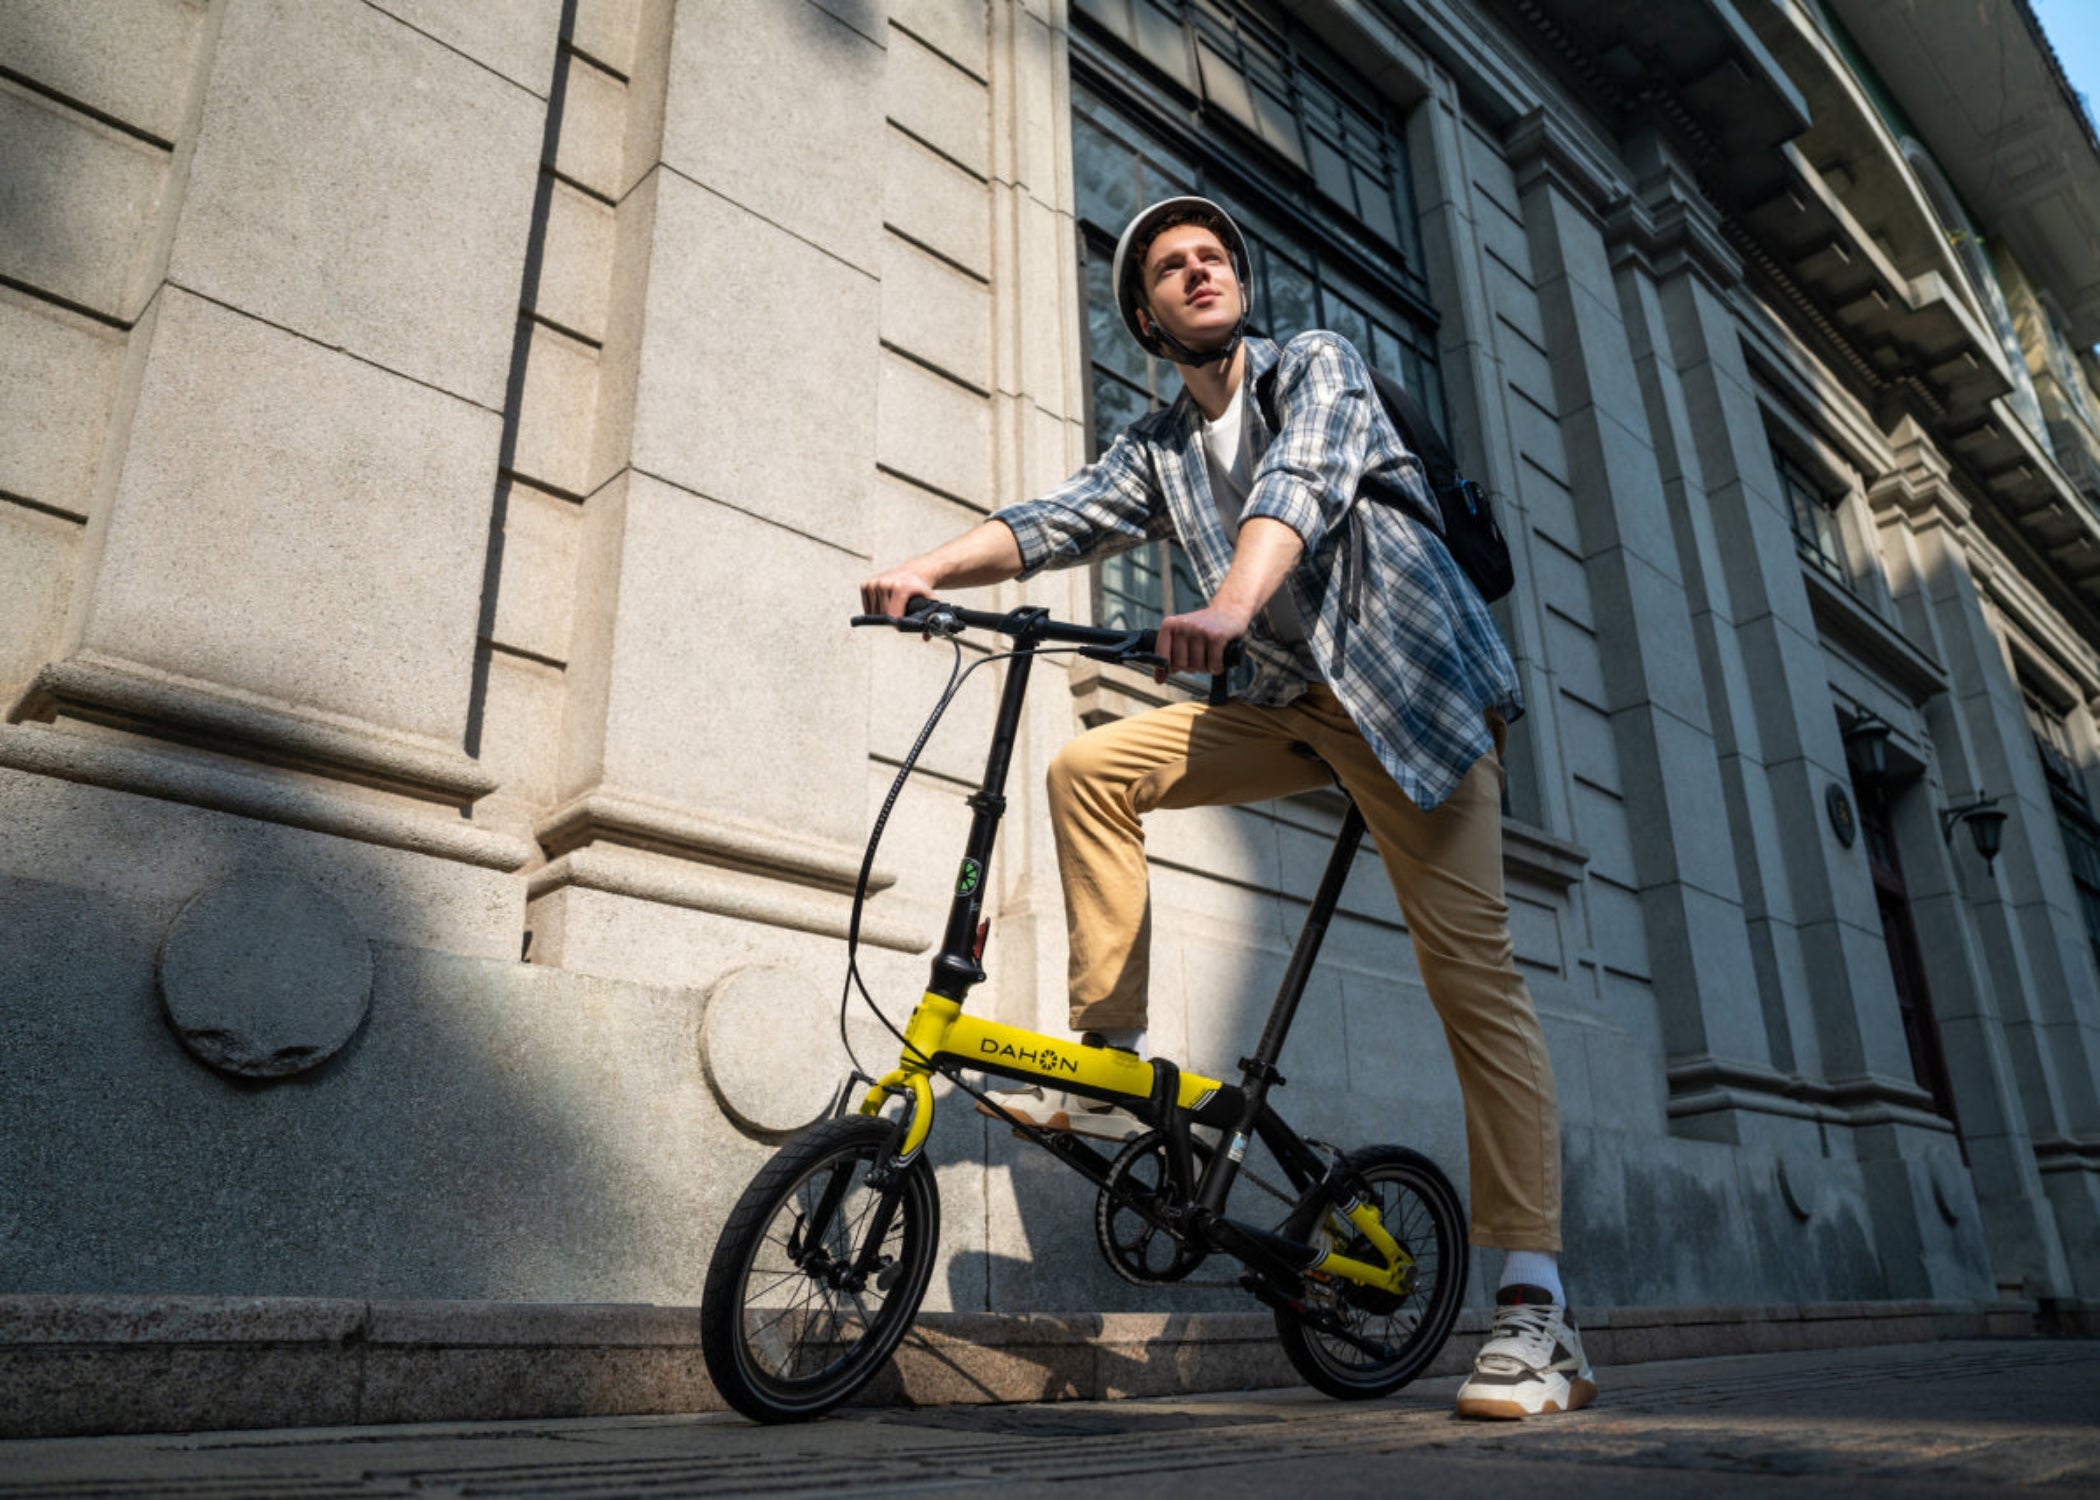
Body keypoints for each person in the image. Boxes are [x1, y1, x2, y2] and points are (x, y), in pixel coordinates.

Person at [859, 197, 1594, 1420]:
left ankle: (1535, 1309)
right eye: (1170, 268)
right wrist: (925, 569)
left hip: (1417, 699)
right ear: (1145, 315)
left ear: (1237, 286)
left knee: (1475, 978)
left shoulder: (1317, 364)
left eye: (1213, 258)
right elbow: (1056, 522)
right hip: (1298, 709)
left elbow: (1301, 488)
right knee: (1089, 769)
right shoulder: (1156, 448)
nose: (1199, 273)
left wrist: (1232, 608)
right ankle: (1109, 1056)